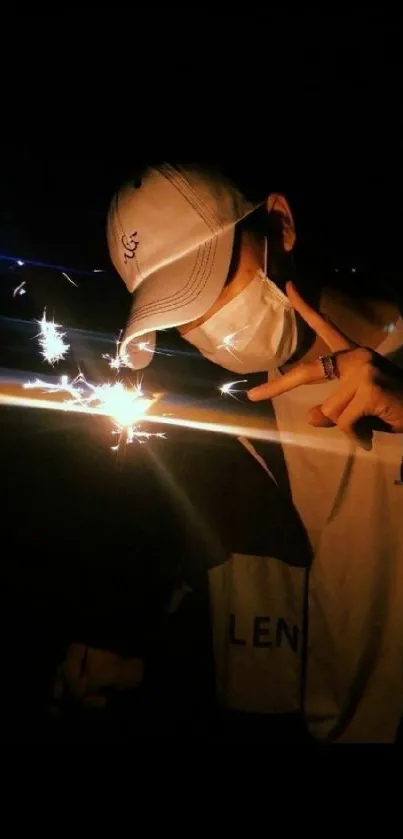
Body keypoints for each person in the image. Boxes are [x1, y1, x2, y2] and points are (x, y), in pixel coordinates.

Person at [106, 163, 403, 742]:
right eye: (177, 315)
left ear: (279, 224)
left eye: (210, 283)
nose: (209, 326)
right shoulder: (229, 437)